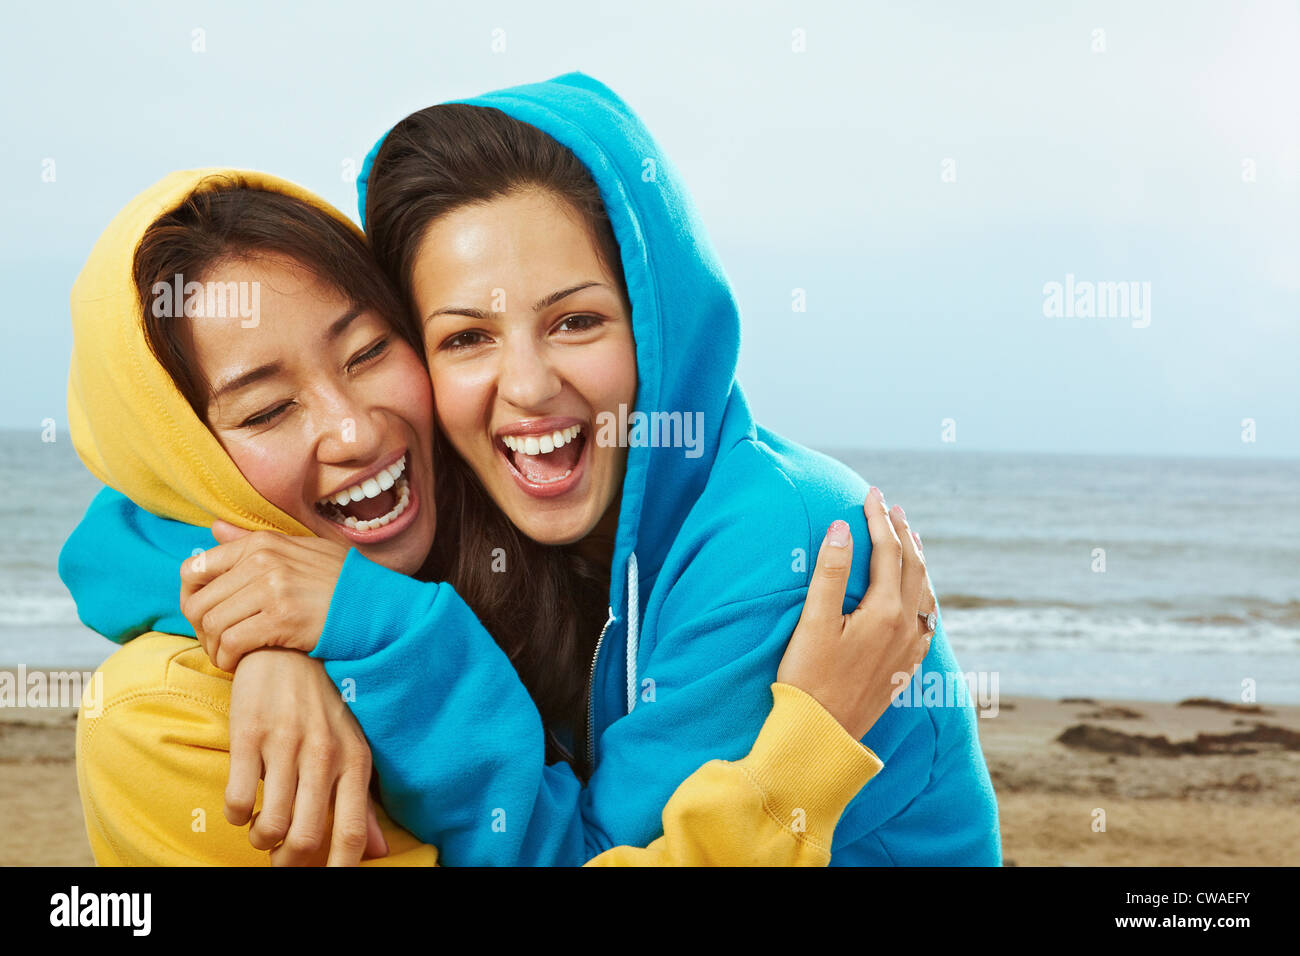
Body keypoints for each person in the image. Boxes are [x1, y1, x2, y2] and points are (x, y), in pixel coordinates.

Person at [65, 73, 1001, 865]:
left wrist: (375, 620)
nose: (525, 387)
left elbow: (586, 857)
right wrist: (260, 633)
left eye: (577, 321)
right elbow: (125, 532)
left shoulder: (785, 549)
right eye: (466, 336)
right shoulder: (478, 483)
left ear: (657, 320)